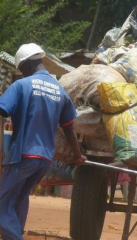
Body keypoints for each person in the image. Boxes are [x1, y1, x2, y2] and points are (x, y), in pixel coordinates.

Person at [0, 43, 86, 240]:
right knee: (19, 199)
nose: (22, 74)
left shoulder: (21, 85)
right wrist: (78, 155)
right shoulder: (60, 91)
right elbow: (68, 128)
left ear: (26, 65)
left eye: (21, 69)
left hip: (22, 154)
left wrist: (1, 150)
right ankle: (16, 232)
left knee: (2, 205)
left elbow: (1, 111)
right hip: (44, 160)